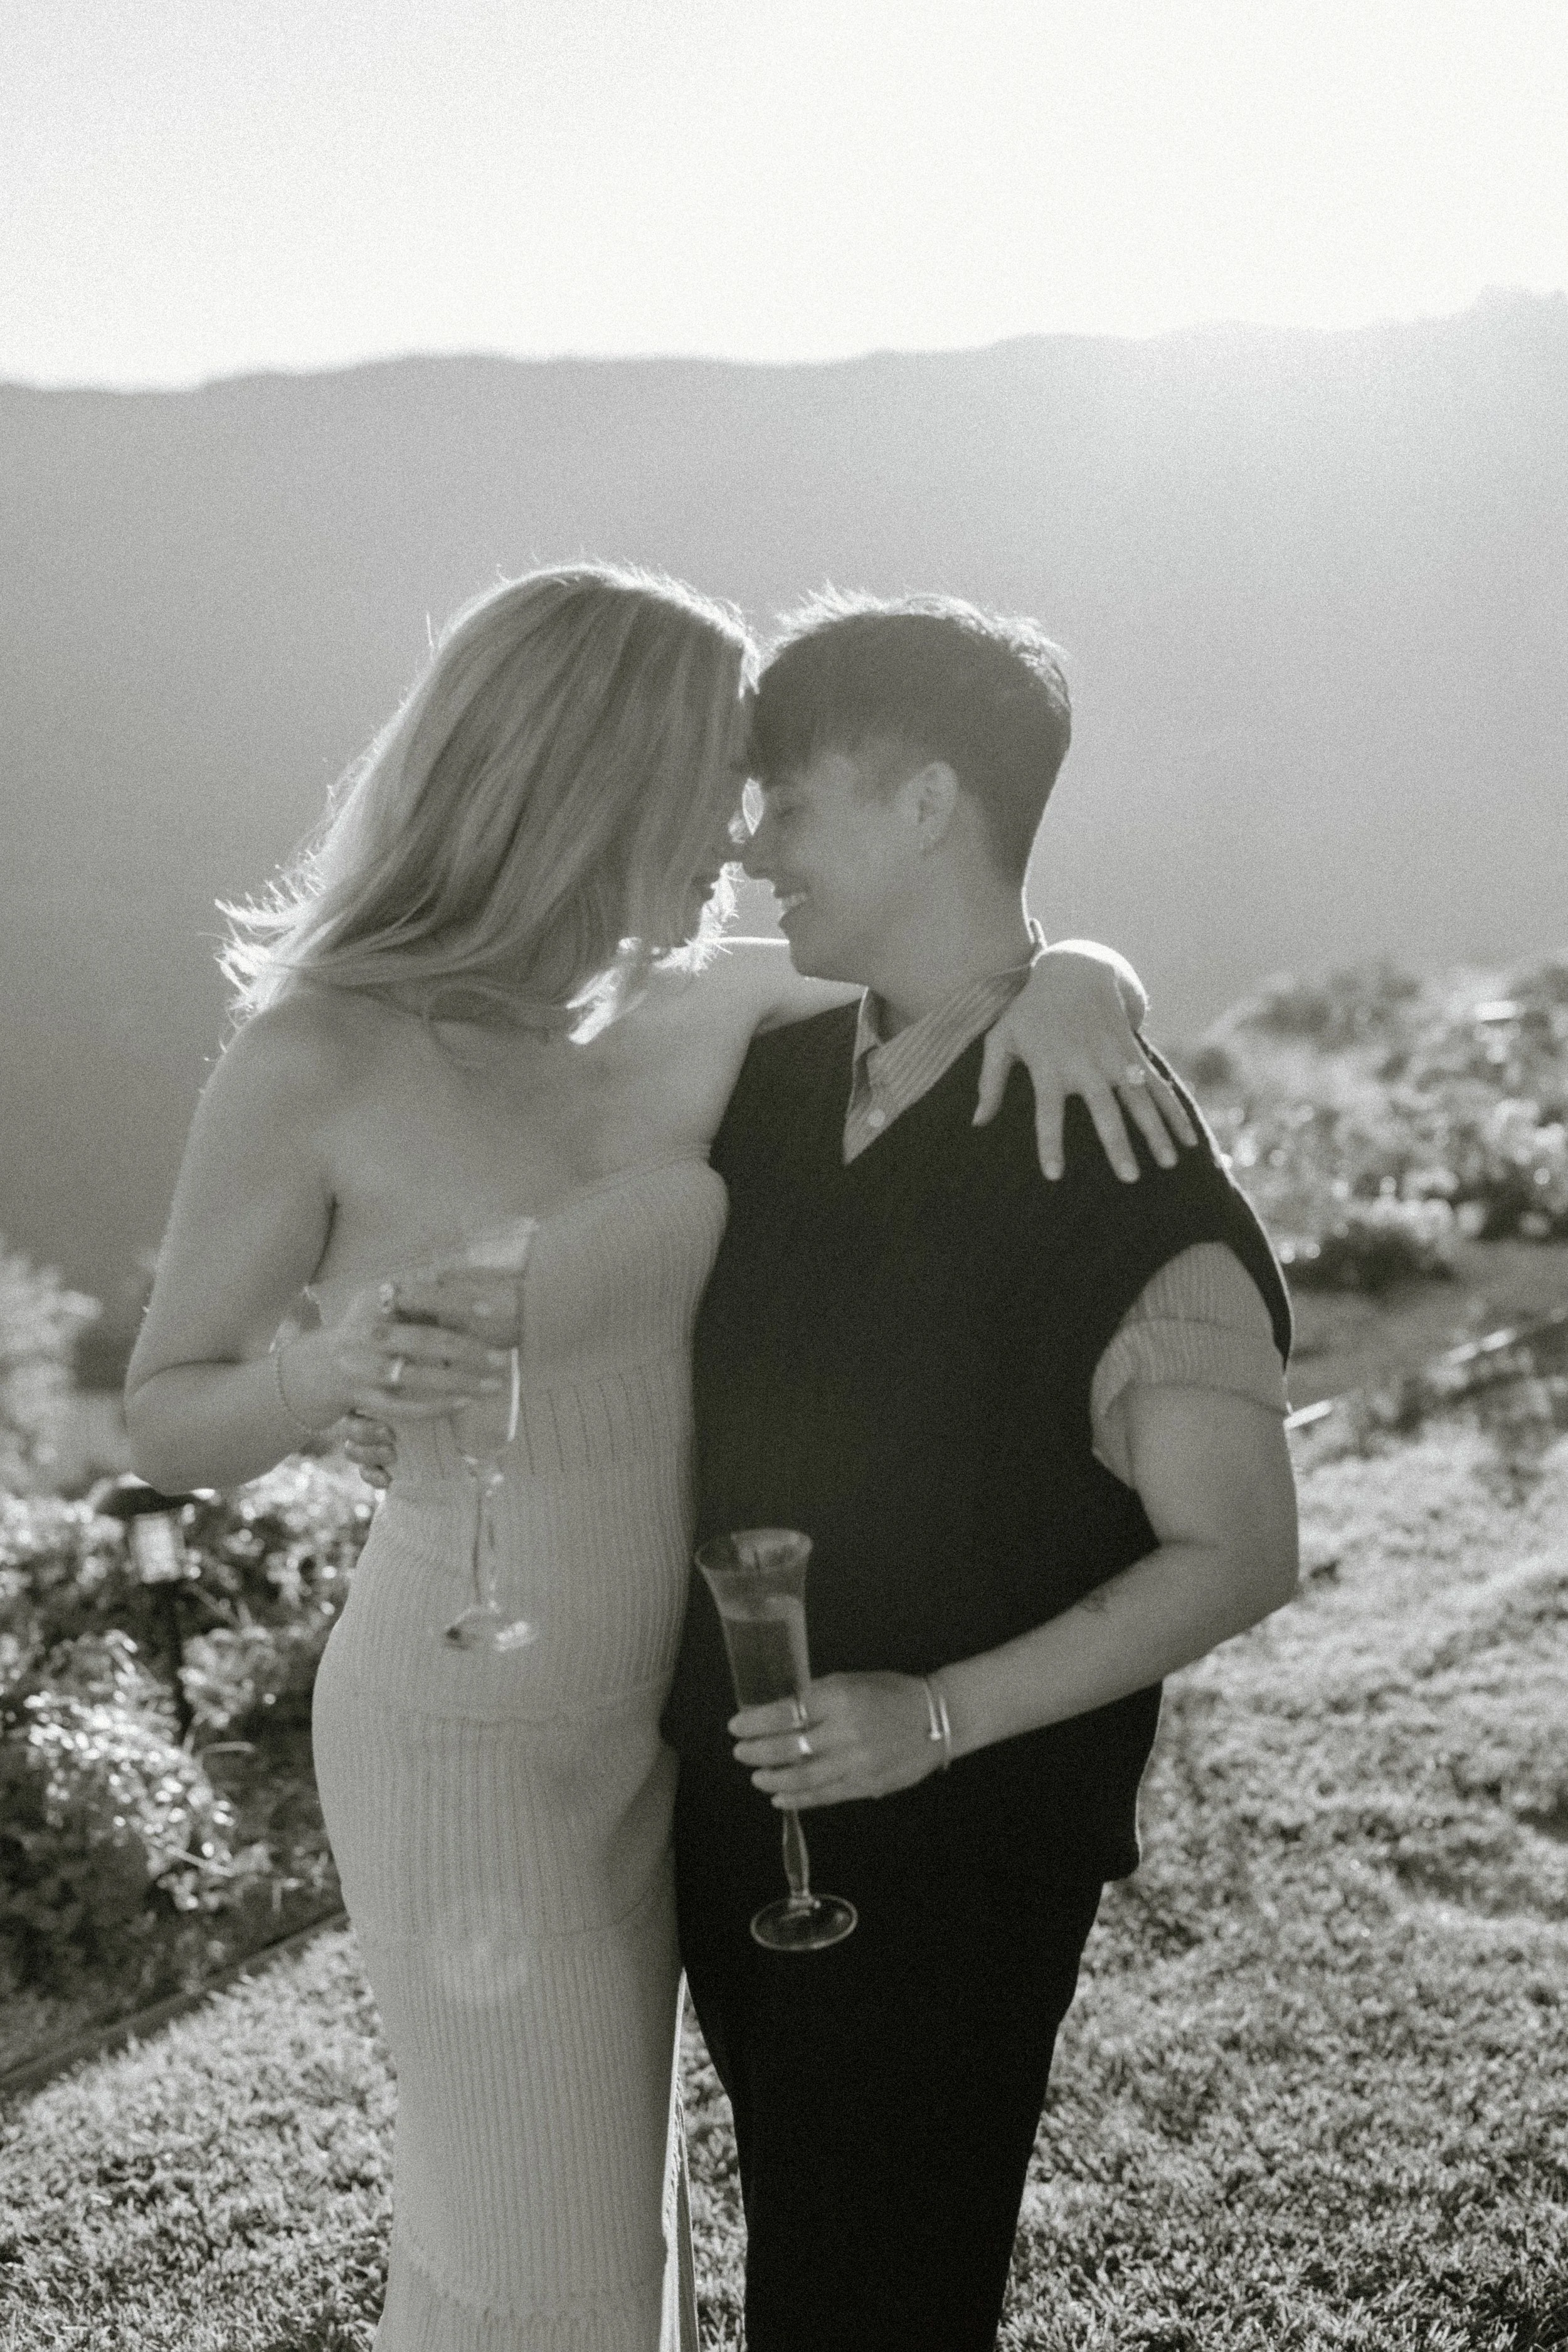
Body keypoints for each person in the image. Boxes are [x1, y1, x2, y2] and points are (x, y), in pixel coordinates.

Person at [124, 561, 1190, 2352]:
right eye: (720, 772)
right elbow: (171, 1409)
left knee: (605, 2242)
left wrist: (1085, 979)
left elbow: (961, 943)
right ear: (589, 770)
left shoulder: (691, 1009)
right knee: (556, 2266)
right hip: (463, 1735)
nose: (749, 825)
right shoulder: (318, 1053)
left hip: (670, 1736)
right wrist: (324, 1367)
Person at [660, 592, 1300, 2352]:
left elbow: (1236, 1548)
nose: (748, 841)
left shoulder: (1115, 1150)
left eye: (788, 801)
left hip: (962, 1846)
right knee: (811, 2234)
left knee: (887, 2278)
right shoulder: (766, 1072)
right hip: (731, 1815)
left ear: (925, 795)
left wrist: (931, 1714)